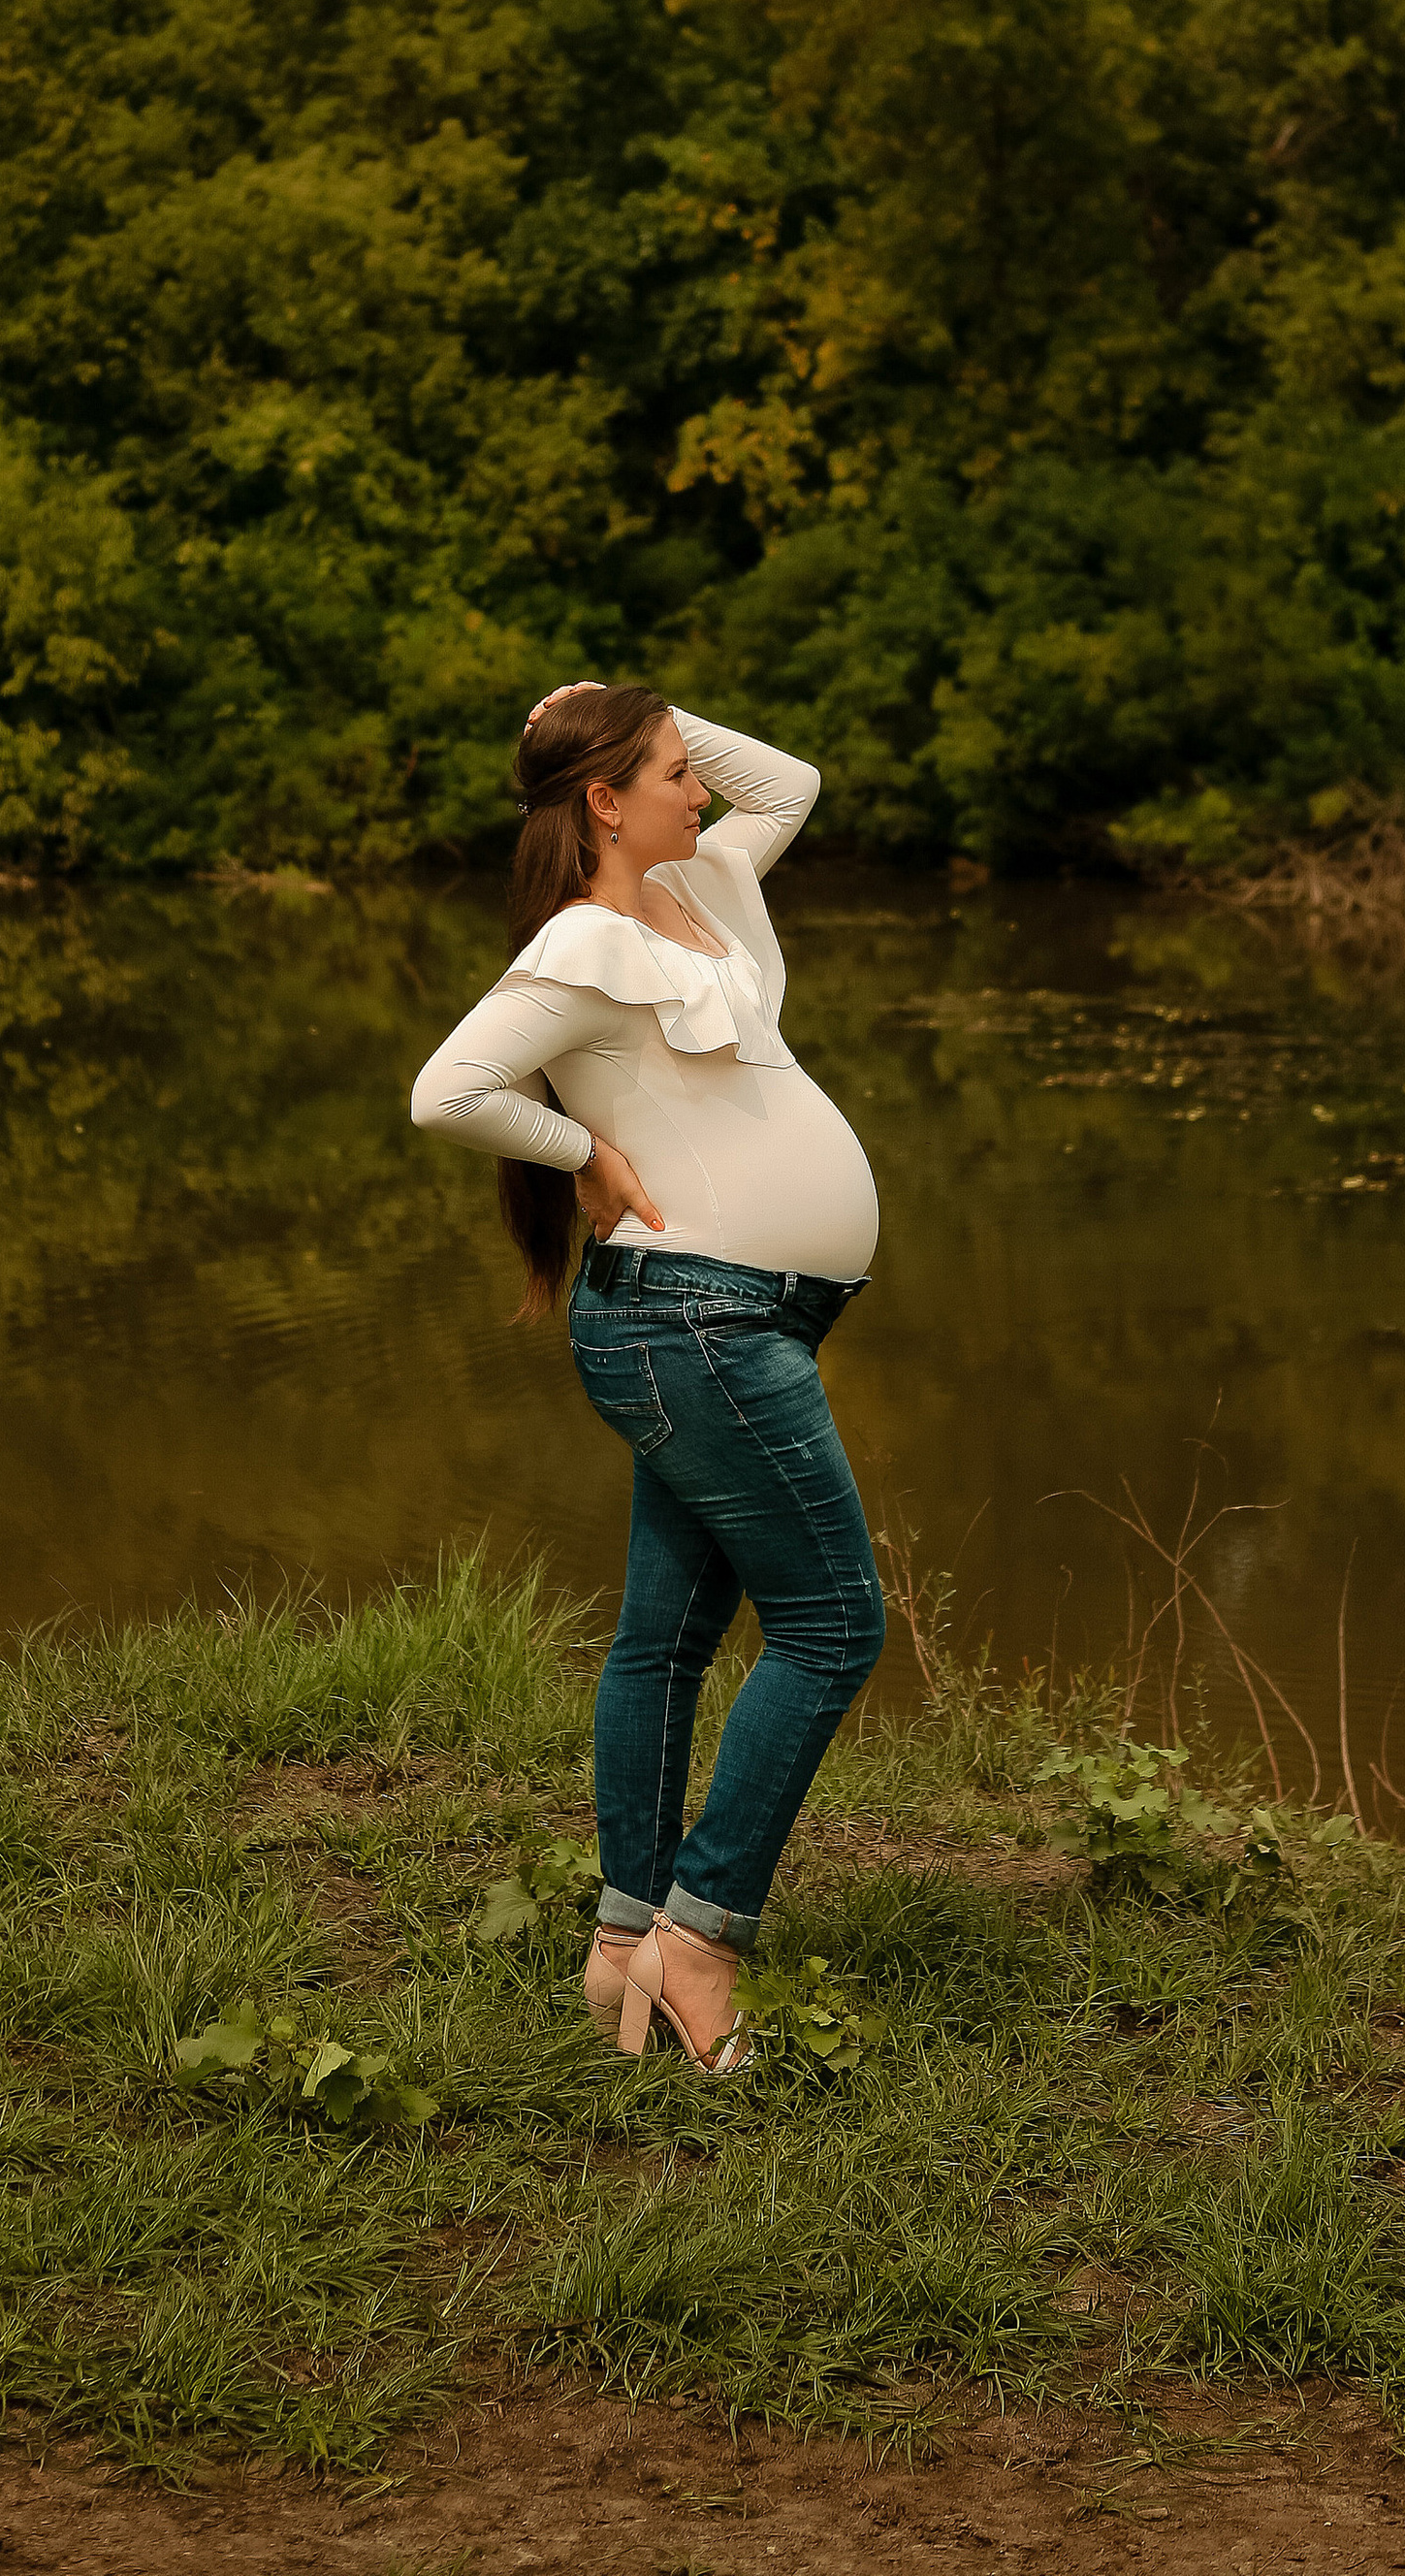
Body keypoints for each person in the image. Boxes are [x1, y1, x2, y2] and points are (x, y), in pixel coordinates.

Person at [408, 682, 883, 2072]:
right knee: (833, 1625)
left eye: (691, 767)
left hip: (734, 1321)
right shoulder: (585, 943)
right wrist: (586, 1158)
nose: (704, 789)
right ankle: (699, 1935)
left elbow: (788, 778)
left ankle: (625, 1936)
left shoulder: (711, 885)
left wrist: (645, 698)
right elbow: (449, 1090)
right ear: (604, 804)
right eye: (673, 772)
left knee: (669, 1637)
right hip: (695, 1323)